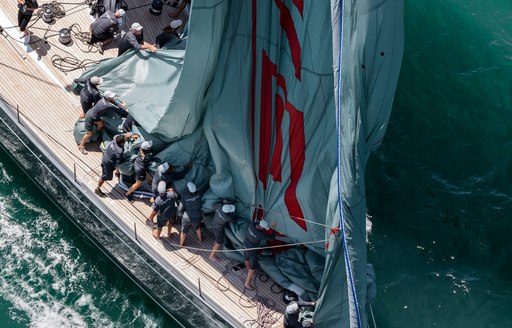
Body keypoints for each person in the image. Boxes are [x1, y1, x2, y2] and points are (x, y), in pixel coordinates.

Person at [243, 219, 277, 290]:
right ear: (261, 228)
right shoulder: (260, 234)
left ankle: (248, 268)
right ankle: (247, 283)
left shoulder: (252, 225)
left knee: (247, 257)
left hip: (245, 244)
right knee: (254, 266)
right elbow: (272, 238)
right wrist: (273, 229)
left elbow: (255, 221)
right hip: (252, 250)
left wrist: (261, 221)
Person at [179, 182, 203, 246]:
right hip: (197, 216)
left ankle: (181, 244)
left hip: (187, 218)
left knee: (183, 232)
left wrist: (179, 213)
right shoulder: (199, 194)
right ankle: (200, 240)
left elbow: (180, 208)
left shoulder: (185, 196)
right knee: (197, 228)